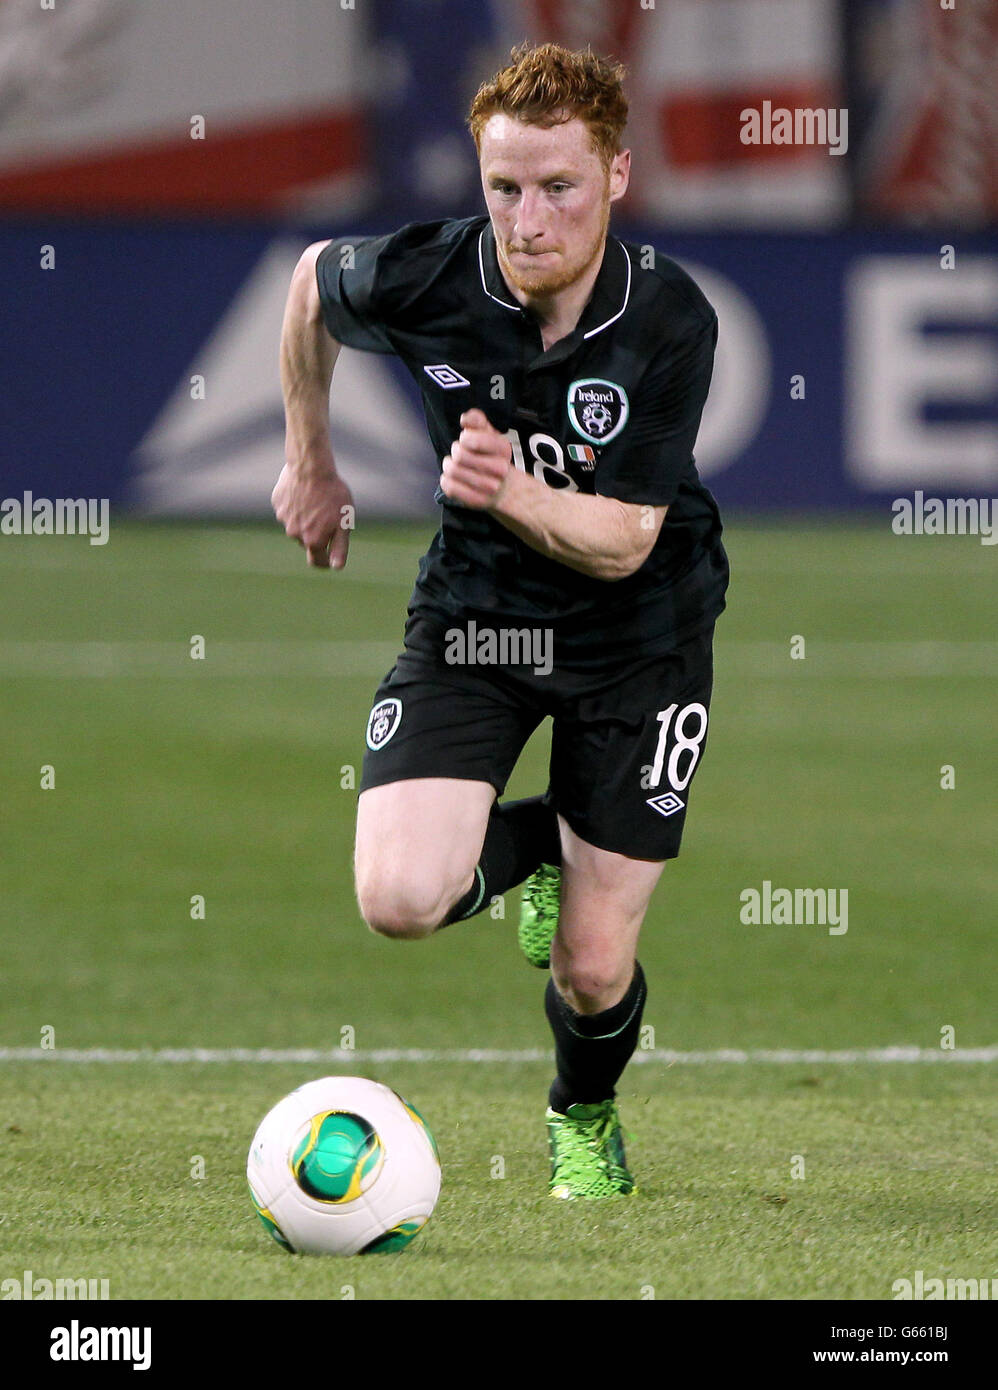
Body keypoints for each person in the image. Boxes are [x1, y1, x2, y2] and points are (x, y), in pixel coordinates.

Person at [272, 42, 728, 1199]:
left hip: (642, 637)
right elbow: (309, 285)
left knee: (588, 964)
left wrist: (505, 487)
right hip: (478, 616)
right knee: (397, 900)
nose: (527, 221)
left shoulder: (667, 318)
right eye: (504, 189)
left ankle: (582, 1110)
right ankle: (532, 847)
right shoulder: (430, 278)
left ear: (617, 177)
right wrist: (309, 461)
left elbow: (626, 539)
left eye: (558, 188)